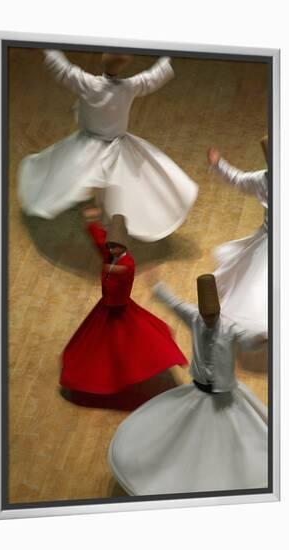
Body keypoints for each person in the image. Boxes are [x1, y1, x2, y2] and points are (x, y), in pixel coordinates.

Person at [108, 274, 268, 495]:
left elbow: (247, 341)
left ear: (219, 312)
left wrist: (260, 339)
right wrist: (158, 286)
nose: (209, 320)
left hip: (225, 396)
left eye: (213, 316)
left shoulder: (231, 328)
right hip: (200, 392)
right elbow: (175, 304)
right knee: (192, 439)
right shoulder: (194, 317)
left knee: (236, 439)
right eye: (206, 315)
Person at [18, 50, 198, 242]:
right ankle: (104, 216)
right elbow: (153, 78)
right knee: (112, 180)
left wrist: (49, 50)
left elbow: (63, 71)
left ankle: (98, 214)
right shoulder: (129, 87)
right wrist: (167, 59)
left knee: (73, 173)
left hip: (88, 145)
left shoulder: (88, 83)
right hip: (117, 145)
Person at [60, 207, 188, 394]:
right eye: (110, 246)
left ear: (124, 246)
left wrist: (113, 270)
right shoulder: (111, 254)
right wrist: (92, 223)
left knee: (122, 346)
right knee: (101, 347)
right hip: (106, 309)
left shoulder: (127, 265)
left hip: (118, 310)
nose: (112, 249)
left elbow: (123, 275)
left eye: (115, 246)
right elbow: (99, 240)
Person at [207, 136, 268, 333]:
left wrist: (219, 164)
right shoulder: (262, 179)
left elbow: (237, 179)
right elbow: (238, 179)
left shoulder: (261, 178)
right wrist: (219, 164)